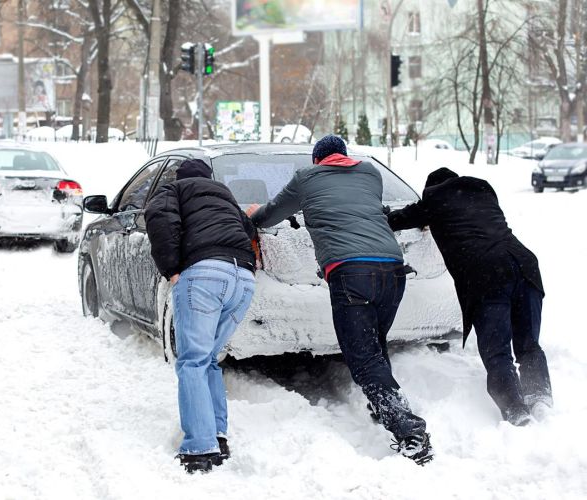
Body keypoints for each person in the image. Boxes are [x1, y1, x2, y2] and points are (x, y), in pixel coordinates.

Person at [247, 135, 433, 465]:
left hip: (352, 273)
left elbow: (272, 213)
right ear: (344, 156)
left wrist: (251, 218)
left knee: (362, 357)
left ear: (318, 160)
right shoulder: (371, 173)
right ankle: (384, 407)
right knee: (374, 345)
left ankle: (409, 431)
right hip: (393, 270)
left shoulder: (306, 178)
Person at [388, 168, 551, 426]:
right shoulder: (483, 191)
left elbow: (395, 220)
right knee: (529, 344)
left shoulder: (434, 201)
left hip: (487, 274)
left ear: (431, 189)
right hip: (525, 264)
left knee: (497, 352)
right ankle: (539, 398)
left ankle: (516, 413)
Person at [144, 159, 257, 474]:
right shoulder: (224, 195)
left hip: (204, 274)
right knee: (207, 359)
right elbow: (248, 229)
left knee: (192, 360)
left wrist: (171, 268)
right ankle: (217, 435)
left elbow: (158, 217)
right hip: (243, 280)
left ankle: (198, 448)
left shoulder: (174, 189)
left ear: (181, 177)